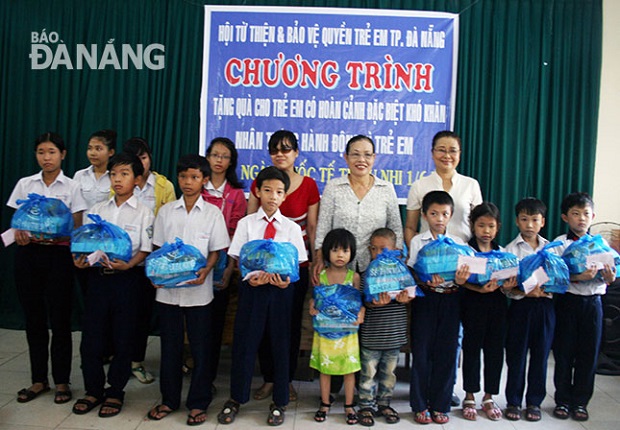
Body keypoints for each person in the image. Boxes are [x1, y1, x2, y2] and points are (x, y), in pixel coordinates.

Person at [217, 166, 307, 427]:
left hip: (281, 293)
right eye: (267, 190)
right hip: (252, 291)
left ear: (284, 196)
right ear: (257, 191)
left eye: (279, 192)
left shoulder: (290, 228)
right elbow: (239, 260)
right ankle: (236, 398)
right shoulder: (246, 224)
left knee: (280, 344)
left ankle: (279, 401)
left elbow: (297, 264)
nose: (272, 196)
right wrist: (250, 277)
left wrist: (285, 281)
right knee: (245, 344)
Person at [147, 154, 230, 426]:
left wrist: (207, 270)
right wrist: (155, 274)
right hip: (168, 293)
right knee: (170, 348)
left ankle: (197, 403)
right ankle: (169, 400)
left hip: (199, 293)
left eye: (194, 177)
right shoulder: (166, 211)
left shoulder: (213, 213)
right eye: (183, 177)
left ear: (205, 180)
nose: (188, 182)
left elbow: (217, 251)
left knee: (200, 349)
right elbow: (158, 249)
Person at [71, 152, 154, 417]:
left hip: (128, 281)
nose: (118, 180)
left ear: (137, 180)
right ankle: (93, 390)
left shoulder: (144, 213)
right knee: (92, 339)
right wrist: (80, 259)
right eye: (114, 174)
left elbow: (146, 248)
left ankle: (115, 391)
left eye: (125, 174)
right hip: (97, 280)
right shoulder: (97, 211)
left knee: (123, 337)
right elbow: (84, 244)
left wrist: (130, 264)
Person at [7, 132, 87, 405]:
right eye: (41, 152)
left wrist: (58, 233)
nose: (46, 158)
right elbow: (17, 219)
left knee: (61, 320)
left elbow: (77, 224)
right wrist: (19, 232)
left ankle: (62, 380)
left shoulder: (72, 186)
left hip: (59, 258)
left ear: (62, 154)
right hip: (29, 257)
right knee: (34, 319)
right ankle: (38, 379)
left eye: (52, 152)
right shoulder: (25, 183)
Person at [247, 130, 319, 402]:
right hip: (262, 266)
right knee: (265, 324)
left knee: (288, 324)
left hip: (295, 266)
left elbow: (311, 227)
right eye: (275, 149)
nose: (280, 154)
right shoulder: (261, 181)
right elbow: (251, 221)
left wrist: (315, 261)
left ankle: (285, 380)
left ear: (296, 153)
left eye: (286, 149)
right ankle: (268, 379)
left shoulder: (309, 185)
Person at [551, 192, 617, 422]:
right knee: (564, 352)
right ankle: (562, 400)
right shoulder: (559, 244)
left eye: (586, 214)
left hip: (594, 304)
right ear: (565, 217)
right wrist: (578, 276)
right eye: (575, 214)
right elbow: (553, 279)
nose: (581, 219)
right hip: (568, 303)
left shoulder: (602, 245)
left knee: (589, 354)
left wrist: (609, 277)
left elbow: (610, 277)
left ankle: (580, 402)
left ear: (593, 217)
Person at [406, 191, 470, 425]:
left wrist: (464, 279)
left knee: (447, 352)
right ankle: (420, 404)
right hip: (426, 300)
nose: (439, 218)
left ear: (451, 215)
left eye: (444, 214)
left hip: (452, 300)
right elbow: (412, 271)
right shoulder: (417, 241)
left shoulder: (460, 245)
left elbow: (468, 275)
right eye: (433, 213)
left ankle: (441, 404)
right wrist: (423, 280)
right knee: (421, 352)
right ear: (424, 215)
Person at [122, 137, 176, 384]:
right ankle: (121, 360)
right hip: (124, 261)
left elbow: (172, 224)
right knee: (122, 314)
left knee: (143, 315)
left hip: (153, 261)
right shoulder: (120, 184)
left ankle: (137, 361)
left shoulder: (163, 185)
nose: (141, 163)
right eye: (136, 158)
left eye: (144, 157)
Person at [315, 134, 403, 279]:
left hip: (377, 265)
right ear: (346, 157)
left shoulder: (386, 188)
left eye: (367, 155)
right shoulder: (334, 187)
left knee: (373, 301)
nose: (361, 160)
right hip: (338, 266)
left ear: (374, 157)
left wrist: (395, 263)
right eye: (355, 154)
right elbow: (323, 227)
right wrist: (319, 257)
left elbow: (396, 229)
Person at [460, 202, 517, 421]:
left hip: (497, 307)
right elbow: (460, 283)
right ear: (472, 225)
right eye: (481, 225)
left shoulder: (503, 254)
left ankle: (489, 396)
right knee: (472, 350)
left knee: (494, 352)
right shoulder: (465, 252)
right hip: (472, 306)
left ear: (498, 227)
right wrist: (478, 288)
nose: (486, 231)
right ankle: (470, 395)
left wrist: (509, 286)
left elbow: (510, 285)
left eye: (491, 226)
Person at [201, 137, 247, 391]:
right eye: (215, 155)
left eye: (224, 156)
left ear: (231, 162)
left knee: (215, 322)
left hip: (220, 266)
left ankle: (208, 377)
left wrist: (229, 268)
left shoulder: (236, 194)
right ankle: (196, 370)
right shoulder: (197, 186)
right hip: (194, 264)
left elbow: (235, 234)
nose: (219, 160)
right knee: (196, 323)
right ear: (207, 157)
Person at [503, 197, 553, 422]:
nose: (529, 225)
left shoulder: (552, 249)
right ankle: (513, 401)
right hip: (520, 308)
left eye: (534, 220)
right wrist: (524, 292)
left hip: (544, 307)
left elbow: (559, 279)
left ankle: (534, 402)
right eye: (524, 219)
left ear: (542, 222)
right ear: (517, 222)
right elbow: (507, 287)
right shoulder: (510, 250)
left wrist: (543, 291)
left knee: (541, 356)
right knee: (516, 356)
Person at [357, 228, 413, 426]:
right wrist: (374, 303)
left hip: (394, 336)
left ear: (396, 251)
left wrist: (406, 298)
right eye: (374, 249)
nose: (378, 254)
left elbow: (410, 294)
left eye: (384, 249)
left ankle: (384, 403)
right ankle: (365, 405)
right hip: (371, 337)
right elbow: (362, 301)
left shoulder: (402, 273)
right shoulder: (366, 274)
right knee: (368, 374)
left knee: (388, 374)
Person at [310, 228, 364, 425]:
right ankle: (325, 403)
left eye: (345, 250)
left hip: (347, 332)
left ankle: (349, 405)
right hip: (325, 332)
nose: (340, 255)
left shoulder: (354, 277)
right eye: (334, 250)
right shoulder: (321, 276)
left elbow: (359, 302)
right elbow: (315, 300)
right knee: (325, 369)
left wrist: (361, 313)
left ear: (352, 253)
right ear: (326, 252)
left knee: (349, 369)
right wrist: (312, 307)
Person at [404, 130, 482, 245]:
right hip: (429, 257)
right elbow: (410, 227)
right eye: (441, 150)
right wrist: (415, 253)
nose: (447, 156)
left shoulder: (471, 185)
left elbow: (478, 224)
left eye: (453, 151)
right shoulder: (419, 185)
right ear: (432, 153)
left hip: (463, 255)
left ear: (459, 154)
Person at [73, 130, 116, 211]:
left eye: (98, 149)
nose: (92, 153)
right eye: (90, 148)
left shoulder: (115, 177)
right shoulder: (80, 175)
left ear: (110, 152)